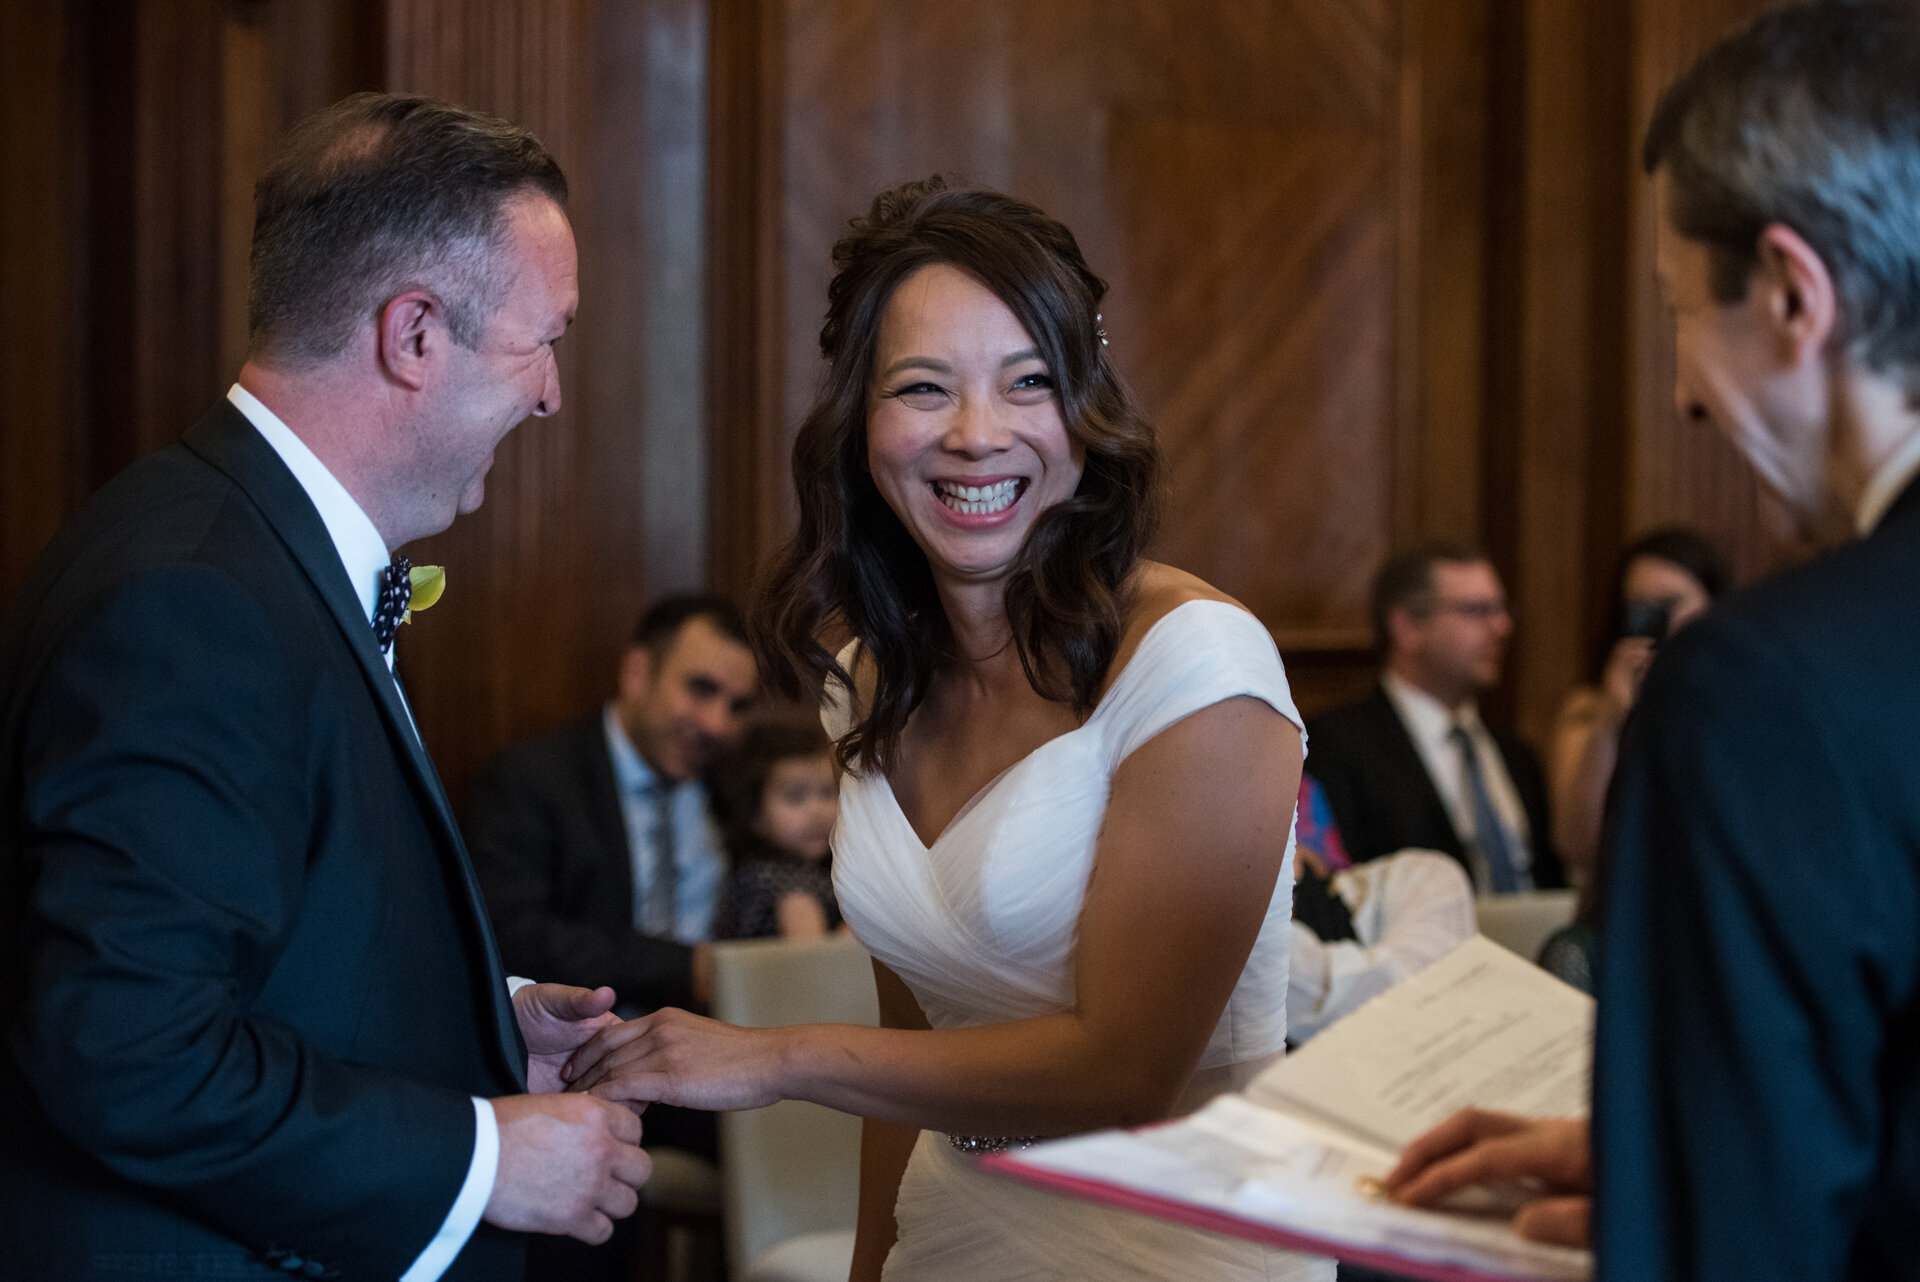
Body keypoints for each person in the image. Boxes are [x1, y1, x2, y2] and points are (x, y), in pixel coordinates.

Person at [562, 177, 1327, 1280]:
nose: (976, 436)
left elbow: (1127, 1071)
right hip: (955, 1233)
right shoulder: (867, 683)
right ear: (861, 423)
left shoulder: (1196, 660)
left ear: (1085, 413)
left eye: (1028, 384)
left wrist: (775, 1056)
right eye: (924, 388)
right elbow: (909, 1057)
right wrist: (877, 1265)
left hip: (1176, 1246)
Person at [0, 94, 651, 1280]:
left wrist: (475, 1017)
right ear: (413, 336)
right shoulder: (193, 599)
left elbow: (260, 939)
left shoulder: (233, 539)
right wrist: (479, 1156)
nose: (552, 392)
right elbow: (128, 1045)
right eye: (540, 338)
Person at [1388, 6, 1920, 1277]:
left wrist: (1675, 1192)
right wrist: (1659, 1155)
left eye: (1680, 310)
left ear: (1794, 294)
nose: (1682, 391)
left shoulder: (1759, 687)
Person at [466, 594, 759, 1015]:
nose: (717, 724)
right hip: (580, 1046)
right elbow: (508, 933)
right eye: (701, 689)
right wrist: (687, 968)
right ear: (637, 672)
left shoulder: (738, 788)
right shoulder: (532, 779)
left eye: (738, 706)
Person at [1307, 543, 1564, 893]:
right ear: (1407, 627)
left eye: (1502, 609)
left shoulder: (1516, 754)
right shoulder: (1334, 748)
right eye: (1477, 611)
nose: (1502, 627)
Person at [1545, 526, 1727, 890]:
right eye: (1640, 607)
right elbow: (1577, 845)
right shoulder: (1589, 707)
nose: (1655, 622)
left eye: (1670, 605)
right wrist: (1611, 720)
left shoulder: (1742, 701)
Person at [712, 718, 844, 941]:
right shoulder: (782, 880)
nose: (817, 811)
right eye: (795, 797)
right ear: (755, 814)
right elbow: (813, 960)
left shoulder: (806, 871)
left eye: (827, 792)